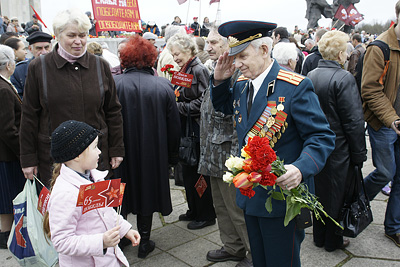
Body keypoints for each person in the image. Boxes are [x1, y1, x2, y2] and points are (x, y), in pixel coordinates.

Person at [211, 20, 335, 267]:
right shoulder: (242, 84)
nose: (237, 64)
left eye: (243, 56)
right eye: (234, 58)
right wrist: (219, 80)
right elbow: (226, 108)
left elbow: (321, 137)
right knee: (259, 260)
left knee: (281, 261)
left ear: (265, 50)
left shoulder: (295, 87)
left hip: (281, 197)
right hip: (250, 193)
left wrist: (300, 168)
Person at [19, 9, 125, 187]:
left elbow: (113, 111)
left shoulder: (100, 66)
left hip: (95, 157)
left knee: (97, 212)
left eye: (83, 35)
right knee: (61, 211)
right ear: (58, 35)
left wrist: (116, 149)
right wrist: (28, 159)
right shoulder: (39, 67)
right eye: (72, 35)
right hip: (54, 160)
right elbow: (29, 115)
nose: (78, 41)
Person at [114, 36, 181, 258]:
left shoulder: (114, 84)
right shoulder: (163, 85)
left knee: (120, 195)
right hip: (153, 152)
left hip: (120, 152)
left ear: (125, 59)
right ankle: (143, 240)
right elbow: (174, 126)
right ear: (151, 59)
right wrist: (172, 156)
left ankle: (122, 238)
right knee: (147, 193)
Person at [43, 120, 140, 266]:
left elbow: (106, 213)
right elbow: (61, 241)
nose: (100, 152)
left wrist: (125, 230)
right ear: (77, 155)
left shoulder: (94, 177)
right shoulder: (65, 193)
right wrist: (100, 241)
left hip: (107, 260)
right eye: (94, 147)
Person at [307, 30, 367, 252]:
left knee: (319, 192)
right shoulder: (344, 78)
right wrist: (359, 154)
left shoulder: (311, 74)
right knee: (336, 195)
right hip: (338, 148)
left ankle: (319, 236)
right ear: (341, 54)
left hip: (316, 145)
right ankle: (333, 241)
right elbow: (353, 121)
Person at [198, 27, 252, 267]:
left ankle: (253, 253)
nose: (208, 47)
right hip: (212, 154)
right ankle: (233, 247)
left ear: (229, 46)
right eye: (207, 43)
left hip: (231, 156)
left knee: (238, 210)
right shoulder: (215, 69)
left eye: (214, 43)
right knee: (221, 207)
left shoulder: (240, 74)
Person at [361, 0, 400, 248]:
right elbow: (370, 90)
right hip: (385, 123)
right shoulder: (380, 47)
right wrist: (393, 119)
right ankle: (354, 201)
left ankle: (394, 228)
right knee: (386, 172)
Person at [167, 33, 216, 230]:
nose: (175, 57)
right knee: (188, 172)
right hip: (186, 127)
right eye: (173, 54)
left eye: (177, 53)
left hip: (196, 129)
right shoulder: (184, 69)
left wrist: (177, 107)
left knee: (198, 173)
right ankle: (194, 210)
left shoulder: (198, 70)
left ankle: (206, 214)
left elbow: (205, 100)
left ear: (189, 50)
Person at [0, 45, 25, 249]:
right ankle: (7, 238)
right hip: (7, 155)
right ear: (9, 64)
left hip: (5, 153)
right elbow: (8, 128)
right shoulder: (4, 89)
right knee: (9, 198)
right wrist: (22, 152)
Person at [10, 31, 53, 98]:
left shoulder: (60, 67)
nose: (44, 52)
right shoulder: (19, 71)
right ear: (30, 49)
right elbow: (18, 98)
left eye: (46, 47)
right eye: (39, 48)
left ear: (51, 47)